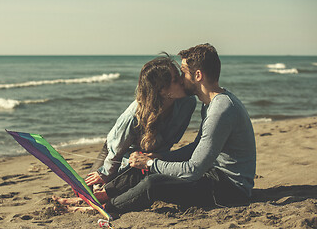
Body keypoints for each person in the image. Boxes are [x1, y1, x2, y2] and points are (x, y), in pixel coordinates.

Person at [98, 43, 257, 213]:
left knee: (153, 184)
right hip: (212, 173)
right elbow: (197, 147)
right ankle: (102, 195)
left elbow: (193, 171)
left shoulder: (220, 109)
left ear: (198, 75)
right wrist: (160, 157)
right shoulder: (210, 103)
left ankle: (108, 208)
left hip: (230, 189)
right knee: (145, 165)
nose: (180, 78)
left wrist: (152, 163)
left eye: (183, 72)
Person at [52, 54, 197, 210]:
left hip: (148, 156)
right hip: (115, 151)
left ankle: (92, 201)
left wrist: (153, 159)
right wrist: (105, 174)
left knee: (132, 178)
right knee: (92, 186)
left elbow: (166, 145)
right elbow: (116, 151)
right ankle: (82, 200)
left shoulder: (187, 104)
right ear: (161, 90)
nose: (182, 80)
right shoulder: (133, 115)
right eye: (176, 79)